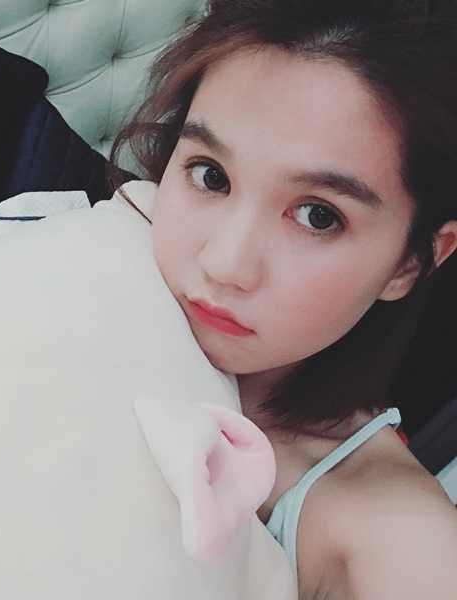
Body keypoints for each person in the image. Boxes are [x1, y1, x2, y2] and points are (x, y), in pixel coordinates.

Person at [109, 0, 457, 598]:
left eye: (318, 216)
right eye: (211, 176)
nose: (225, 264)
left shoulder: (394, 536)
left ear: (411, 261)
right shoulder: (94, 250)